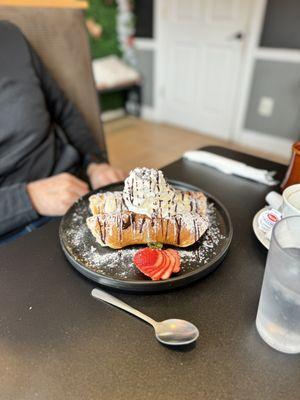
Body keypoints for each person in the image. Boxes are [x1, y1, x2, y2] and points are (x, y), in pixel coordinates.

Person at [0, 21, 126, 243]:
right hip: (12, 230)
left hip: (73, 187)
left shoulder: (9, 35)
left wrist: (95, 162)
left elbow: (63, 109)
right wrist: (28, 199)